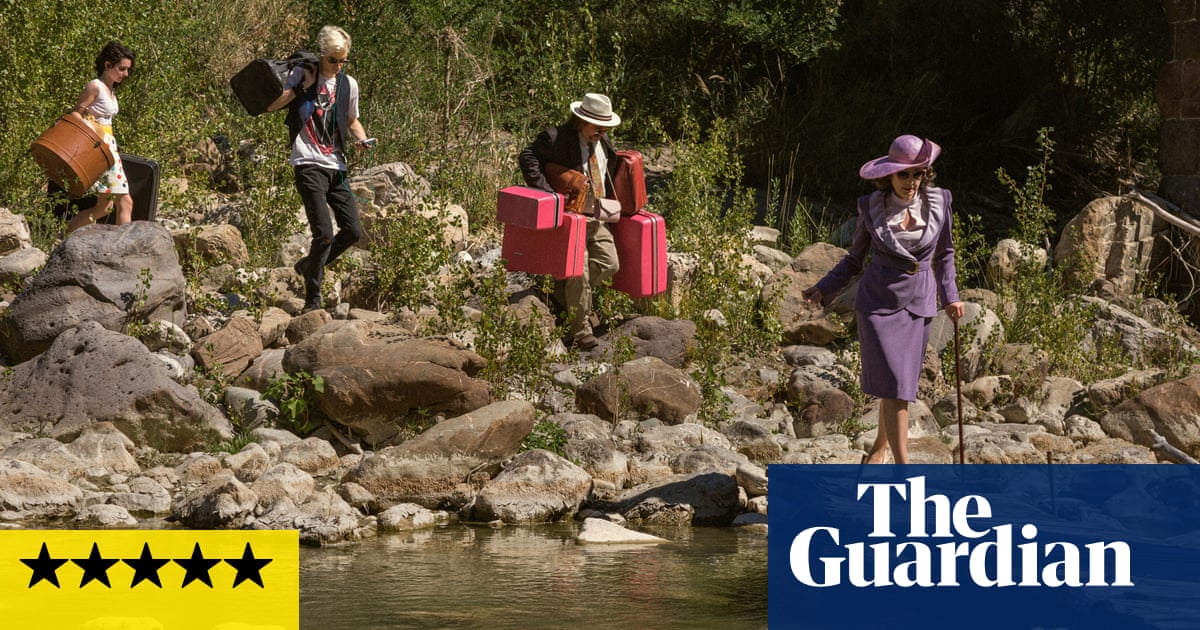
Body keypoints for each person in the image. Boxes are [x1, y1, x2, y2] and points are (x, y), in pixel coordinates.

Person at [803, 135, 966, 464]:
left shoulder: (939, 202)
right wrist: (823, 287)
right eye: (904, 175)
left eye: (917, 174)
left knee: (900, 386)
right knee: (896, 388)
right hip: (878, 304)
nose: (911, 182)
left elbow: (945, 255)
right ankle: (902, 470)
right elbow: (853, 260)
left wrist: (951, 296)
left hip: (919, 304)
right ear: (889, 176)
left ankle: (877, 451)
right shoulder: (871, 208)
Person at [266, 25, 372, 313]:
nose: (337, 66)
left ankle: (308, 265)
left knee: (352, 230)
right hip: (307, 163)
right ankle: (313, 300)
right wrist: (302, 86)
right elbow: (272, 105)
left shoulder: (349, 84)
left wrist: (361, 140)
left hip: (336, 166)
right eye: (332, 60)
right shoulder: (303, 74)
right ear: (322, 54)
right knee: (323, 233)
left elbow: (351, 120)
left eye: (342, 61)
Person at [517, 93, 622, 350]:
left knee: (610, 264)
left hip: (596, 216)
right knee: (578, 271)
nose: (602, 130)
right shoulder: (555, 138)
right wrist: (549, 194)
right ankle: (579, 329)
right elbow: (527, 157)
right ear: (580, 120)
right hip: (569, 217)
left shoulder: (602, 141)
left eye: (605, 126)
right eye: (597, 125)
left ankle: (562, 298)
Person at [66, 40, 135, 234]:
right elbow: (75, 114)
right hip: (100, 148)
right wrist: (93, 134)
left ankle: (66, 234)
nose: (125, 74)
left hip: (109, 148)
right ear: (107, 65)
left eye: (127, 69)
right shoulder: (95, 86)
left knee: (105, 207)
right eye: (121, 69)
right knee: (124, 202)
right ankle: (124, 246)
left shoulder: (110, 90)